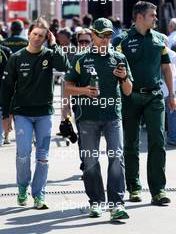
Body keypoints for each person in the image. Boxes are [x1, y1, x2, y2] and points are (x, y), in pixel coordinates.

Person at [65, 18, 133, 221]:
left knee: (116, 158)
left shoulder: (119, 57)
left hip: (113, 116)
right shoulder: (80, 58)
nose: (105, 39)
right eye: (101, 35)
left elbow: (128, 91)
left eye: (108, 35)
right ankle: (96, 202)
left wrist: (123, 77)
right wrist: (84, 90)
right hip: (88, 117)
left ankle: (116, 205)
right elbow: (67, 87)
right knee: (90, 160)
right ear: (92, 35)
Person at [0, 17, 69, 209]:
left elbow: (64, 66)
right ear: (29, 34)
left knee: (43, 156)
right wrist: (5, 116)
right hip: (22, 113)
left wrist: (54, 44)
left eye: (42, 35)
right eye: (35, 34)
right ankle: (22, 187)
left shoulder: (49, 54)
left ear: (47, 37)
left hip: (44, 114)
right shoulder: (17, 57)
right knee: (23, 154)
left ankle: (39, 194)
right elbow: (6, 89)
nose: (37, 38)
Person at [113, 1, 176, 206]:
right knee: (130, 143)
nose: (156, 18)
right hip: (130, 98)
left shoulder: (159, 39)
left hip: (155, 97)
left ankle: (158, 190)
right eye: (152, 15)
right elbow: (112, 68)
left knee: (157, 141)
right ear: (139, 17)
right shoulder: (122, 39)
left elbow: (166, 68)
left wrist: (172, 95)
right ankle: (134, 187)